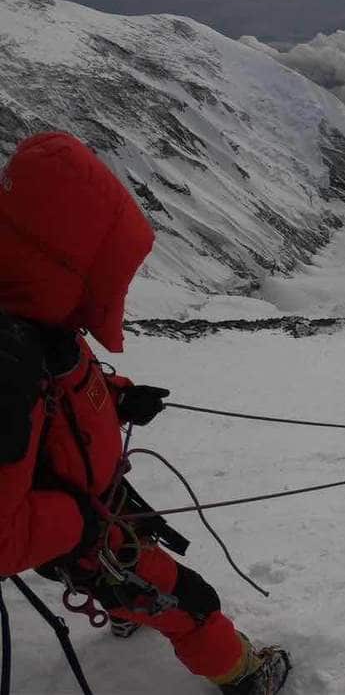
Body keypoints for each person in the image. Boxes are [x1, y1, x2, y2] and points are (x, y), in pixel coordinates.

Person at [0, 132, 289, 694]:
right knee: (189, 601)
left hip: (96, 511)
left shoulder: (27, 319)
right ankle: (245, 675)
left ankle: (127, 603)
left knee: (140, 573)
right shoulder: (7, 367)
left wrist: (118, 394)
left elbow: (63, 383)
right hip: (84, 534)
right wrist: (79, 524)